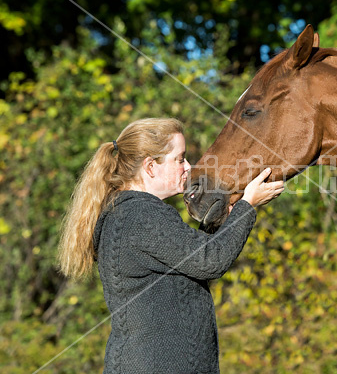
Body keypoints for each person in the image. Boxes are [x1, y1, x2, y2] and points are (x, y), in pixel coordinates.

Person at [58, 117, 284, 373]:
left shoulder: (128, 213)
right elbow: (210, 261)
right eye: (179, 159)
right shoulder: (142, 215)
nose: (188, 166)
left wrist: (227, 218)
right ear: (151, 166)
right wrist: (247, 207)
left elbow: (190, 260)